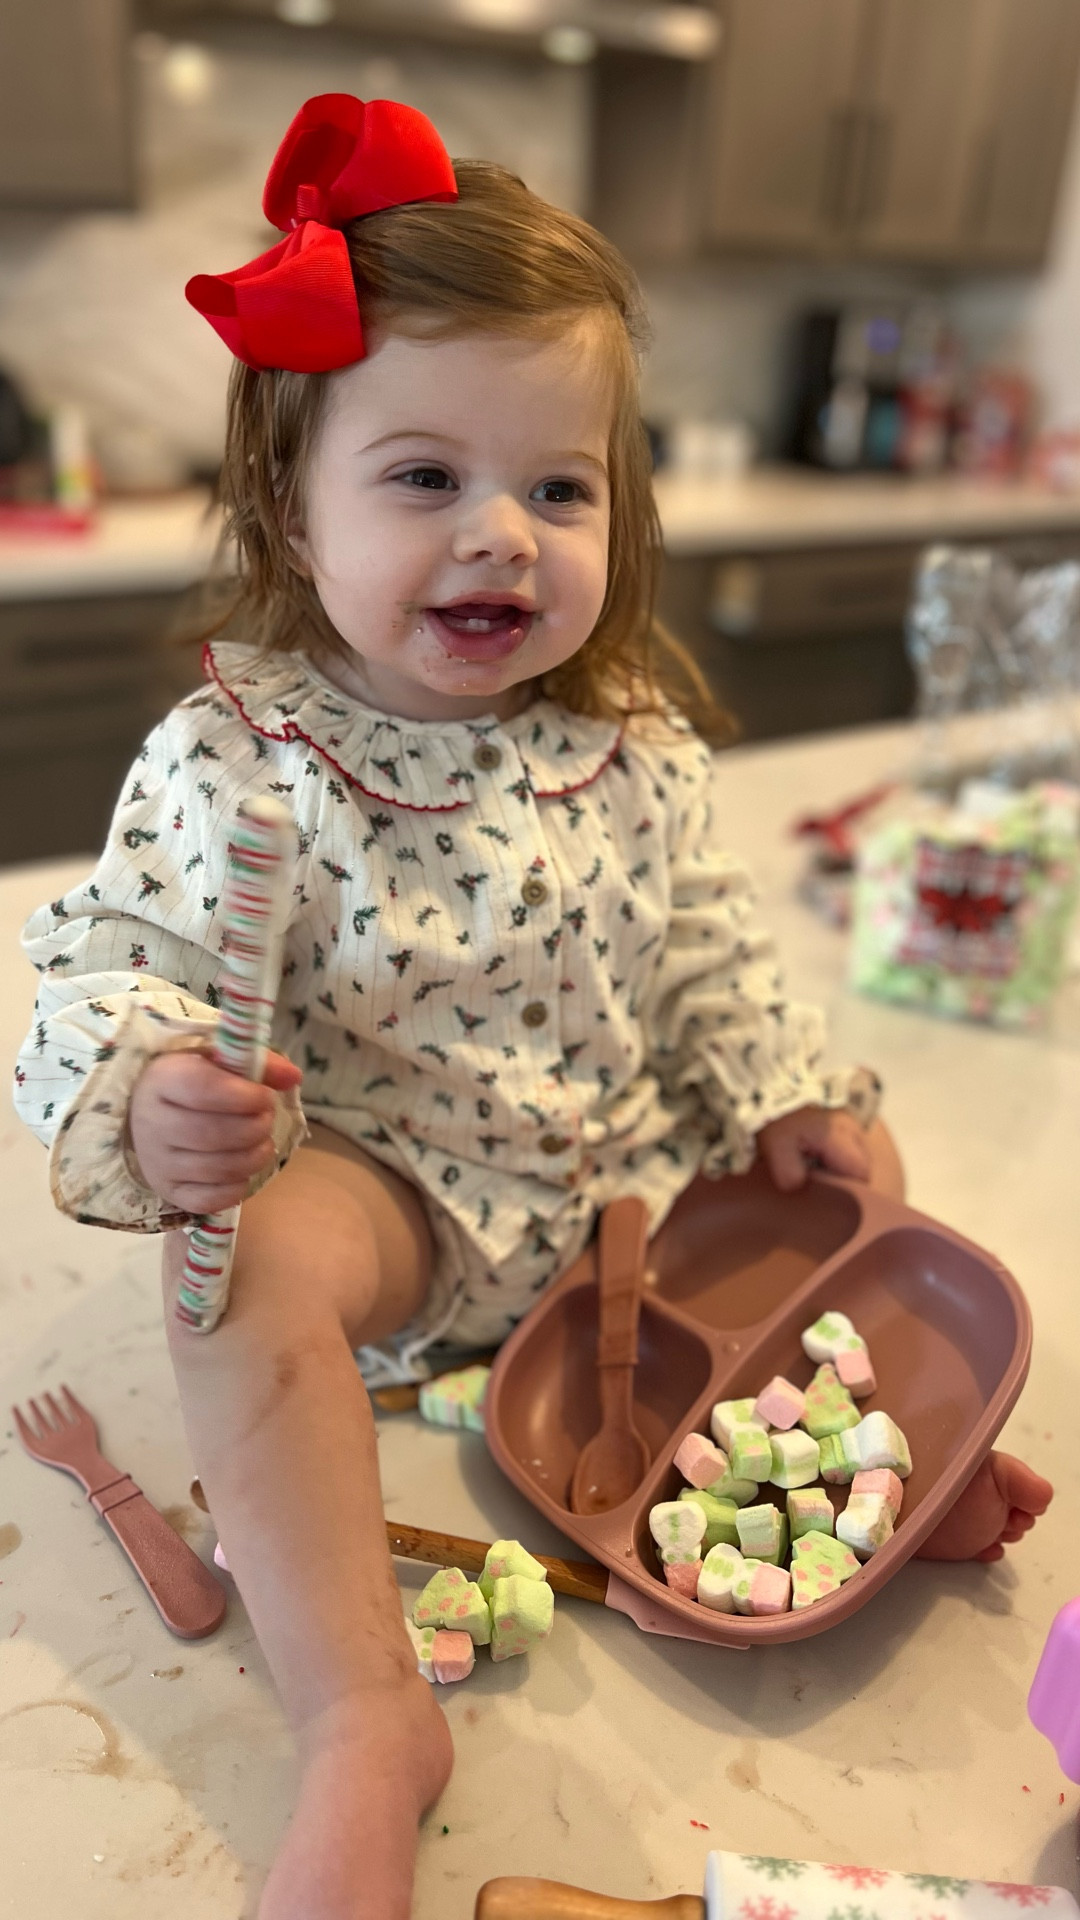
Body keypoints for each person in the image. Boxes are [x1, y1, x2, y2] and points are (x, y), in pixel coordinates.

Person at [13, 94, 1051, 1920]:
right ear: (288, 497)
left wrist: (793, 1099)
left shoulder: (630, 746)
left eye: (557, 487)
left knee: (850, 1166)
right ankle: (361, 1719)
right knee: (242, 1271)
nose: (501, 533)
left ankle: (828, 1485)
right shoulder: (235, 763)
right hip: (390, 1198)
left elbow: (715, 957)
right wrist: (159, 1085)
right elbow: (94, 976)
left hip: (619, 1203)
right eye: (423, 478)